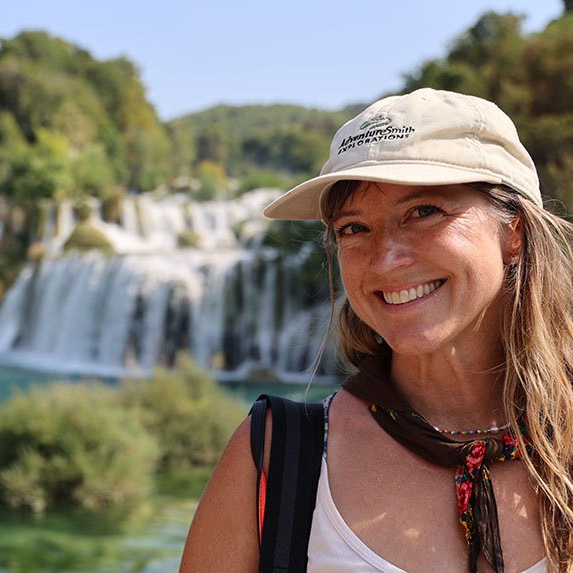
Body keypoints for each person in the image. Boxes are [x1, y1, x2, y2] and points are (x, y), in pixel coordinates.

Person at [180, 88, 573, 572]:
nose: (386, 260)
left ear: (513, 231)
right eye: (353, 228)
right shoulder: (275, 456)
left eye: (424, 212)